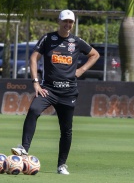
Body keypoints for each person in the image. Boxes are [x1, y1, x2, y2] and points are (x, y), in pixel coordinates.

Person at [11, 9, 100, 175]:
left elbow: (95, 55)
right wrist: (36, 83)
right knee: (33, 110)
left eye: (70, 22)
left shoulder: (77, 41)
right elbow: (33, 59)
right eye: (65, 21)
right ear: (59, 22)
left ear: (73, 24)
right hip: (48, 89)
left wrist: (81, 70)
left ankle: (61, 165)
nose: (67, 25)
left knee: (66, 130)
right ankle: (24, 148)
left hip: (68, 92)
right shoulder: (48, 38)